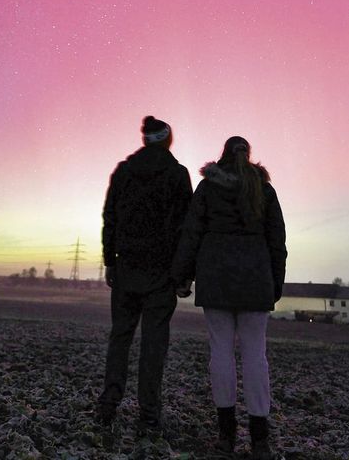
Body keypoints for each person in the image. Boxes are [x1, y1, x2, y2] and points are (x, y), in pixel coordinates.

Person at [172, 136, 286, 459]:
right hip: (255, 282)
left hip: (216, 280)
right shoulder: (265, 191)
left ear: (221, 157)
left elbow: (191, 233)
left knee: (220, 354)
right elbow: (277, 241)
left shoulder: (208, 189)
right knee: (255, 357)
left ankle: (226, 435)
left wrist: (182, 276)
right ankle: (260, 439)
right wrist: (274, 285)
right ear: (249, 156)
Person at [98, 115, 193, 429]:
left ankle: (107, 407)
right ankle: (149, 416)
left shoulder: (124, 171)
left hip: (126, 268)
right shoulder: (178, 175)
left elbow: (109, 216)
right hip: (161, 275)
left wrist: (110, 259)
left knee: (120, 339)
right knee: (154, 345)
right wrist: (183, 274)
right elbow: (185, 228)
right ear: (167, 140)